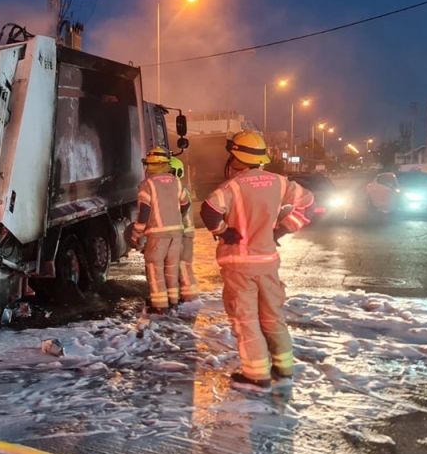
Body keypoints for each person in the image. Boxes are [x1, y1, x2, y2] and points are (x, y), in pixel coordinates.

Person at [200, 132, 314, 392]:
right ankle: (284, 369)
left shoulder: (232, 186)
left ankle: (257, 377)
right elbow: (307, 203)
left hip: (240, 265)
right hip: (268, 263)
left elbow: (209, 210)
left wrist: (222, 232)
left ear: (235, 156)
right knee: (272, 317)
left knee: (247, 320)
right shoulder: (280, 182)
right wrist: (283, 229)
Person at [131, 147, 191, 316]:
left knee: (155, 270)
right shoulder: (176, 182)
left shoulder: (147, 184)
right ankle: (173, 302)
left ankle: (160, 306)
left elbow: (144, 212)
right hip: (176, 233)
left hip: (157, 235)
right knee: (171, 269)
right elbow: (185, 204)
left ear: (150, 166)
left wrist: (136, 234)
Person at [169, 156, 198, 303]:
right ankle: (184, 296)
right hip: (182, 232)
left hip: (184, 233)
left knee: (184, 266)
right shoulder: (179, 186)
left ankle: (189, 298)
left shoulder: (178, 187)